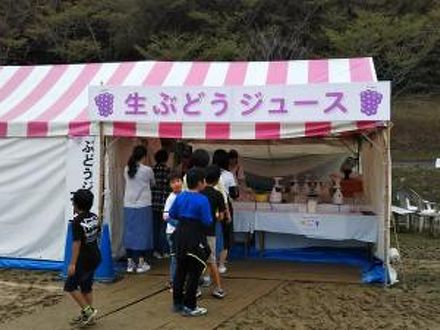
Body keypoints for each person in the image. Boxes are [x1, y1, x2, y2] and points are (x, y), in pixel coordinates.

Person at [170, 168, 212, 317]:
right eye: (204, 180)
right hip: (194, 235)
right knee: (194, 271)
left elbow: (172, 214)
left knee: (180, 269)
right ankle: (190, 306)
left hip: (180, 234)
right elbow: (207, 221)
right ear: (200, 183)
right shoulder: (202, 199)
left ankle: (177, 303)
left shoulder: (180, 196)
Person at [64, 189, 101, 327]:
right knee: (86, 287)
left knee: (70, 286)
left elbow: (76, 244)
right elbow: (98, 235)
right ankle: (88, 316)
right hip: (95, 256)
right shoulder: (94, 217)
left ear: (76, 204)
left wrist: (72, 264)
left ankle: (88, 311)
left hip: (83, 259)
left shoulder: (77, 221)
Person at [123, 145, 156, 273]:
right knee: (143, 234)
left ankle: (130, 263)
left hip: (128, 204)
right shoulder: (147, 170)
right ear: (144, 156)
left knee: (129, 233)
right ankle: (141, 263)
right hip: (143, 204)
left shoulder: (126, 169)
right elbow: (153, 183)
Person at [201, 165, 227, 299]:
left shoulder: (199, 193)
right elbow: (222, 216)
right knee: (212, 261)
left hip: (198, 231)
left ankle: (195, 289)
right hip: (211, 231)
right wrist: (215, 216)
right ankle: (219, 288)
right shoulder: (218, 195)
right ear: (217, 180)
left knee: (196, 260)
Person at [213, 149, 239, 274]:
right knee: (225, 234)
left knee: (212, 233)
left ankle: (211, 262)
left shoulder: (208, 173)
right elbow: (234, 194)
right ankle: (221, 264)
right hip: (224, 205)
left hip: (210, 205)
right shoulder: (228, 175)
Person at [163, 173, 183, 290]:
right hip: (172, 232)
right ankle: (172, 281)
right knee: (175, 257)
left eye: (178, 181)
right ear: (170, 185)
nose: (177, 184)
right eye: (173, 182)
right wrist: (178, 224)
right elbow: (165, 216)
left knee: (180, 257)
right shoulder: (171, 198)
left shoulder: (184, 195)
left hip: (181, 232)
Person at [152, 149, 171, 259]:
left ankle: (155, 250)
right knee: (163, 228)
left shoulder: (152, 170)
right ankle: (164, 250)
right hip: (164, 202)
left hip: (153, 201)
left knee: (155, 227)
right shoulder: (168, 170)